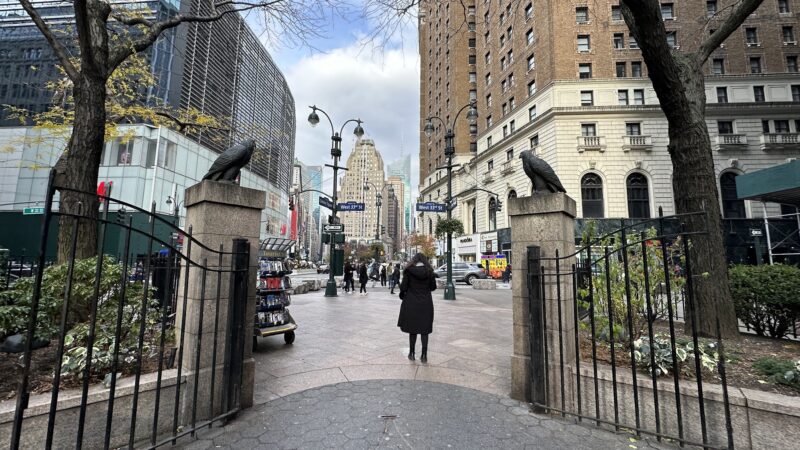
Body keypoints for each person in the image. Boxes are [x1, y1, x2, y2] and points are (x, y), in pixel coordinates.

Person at [397, 253, 436, 363]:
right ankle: (424, 355)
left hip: (411, 302)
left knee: (412, 329)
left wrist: (403, 294)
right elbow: (433, 287)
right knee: (425, 330)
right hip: (426, 303)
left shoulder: (409, 271)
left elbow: (403, 287)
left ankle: (412, 353)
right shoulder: (429, 271)